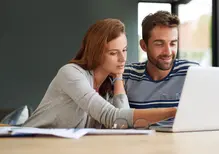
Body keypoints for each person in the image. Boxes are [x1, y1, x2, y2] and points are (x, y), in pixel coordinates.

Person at [23, 19, 176, 129]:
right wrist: (173, 112)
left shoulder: (107, 88)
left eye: (124, 50)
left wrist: (118, 77)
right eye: (113, 53)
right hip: (29, 143)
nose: (123, 58)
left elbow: (121, 125)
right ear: (96, 54)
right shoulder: (70, 73)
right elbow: (113, 117)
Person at [123, 11, 200, 109]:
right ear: (144, 46)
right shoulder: (127, 75)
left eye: (172, 43)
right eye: (159, 44)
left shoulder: (192, 72)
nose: (168, 52)